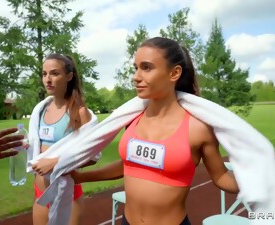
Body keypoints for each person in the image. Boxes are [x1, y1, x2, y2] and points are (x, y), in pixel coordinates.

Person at [70, 37, 239, 225]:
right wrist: (81, 177)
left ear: (174, 73)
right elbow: (130, 164)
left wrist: (260, 182)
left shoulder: (198, 128)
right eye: (136, 68)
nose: (136, 76)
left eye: (147, 68)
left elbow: (222, 176)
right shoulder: (132, 118)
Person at [30, 54, 100, 225]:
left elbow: (92, 156)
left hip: (67, 193)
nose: (48, 79)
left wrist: (56, 162)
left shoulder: (80, 113)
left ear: (69, 76)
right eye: (44, 74)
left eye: (54, 73)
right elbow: (36, 147)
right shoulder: (40, 111)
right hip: (41, 191)